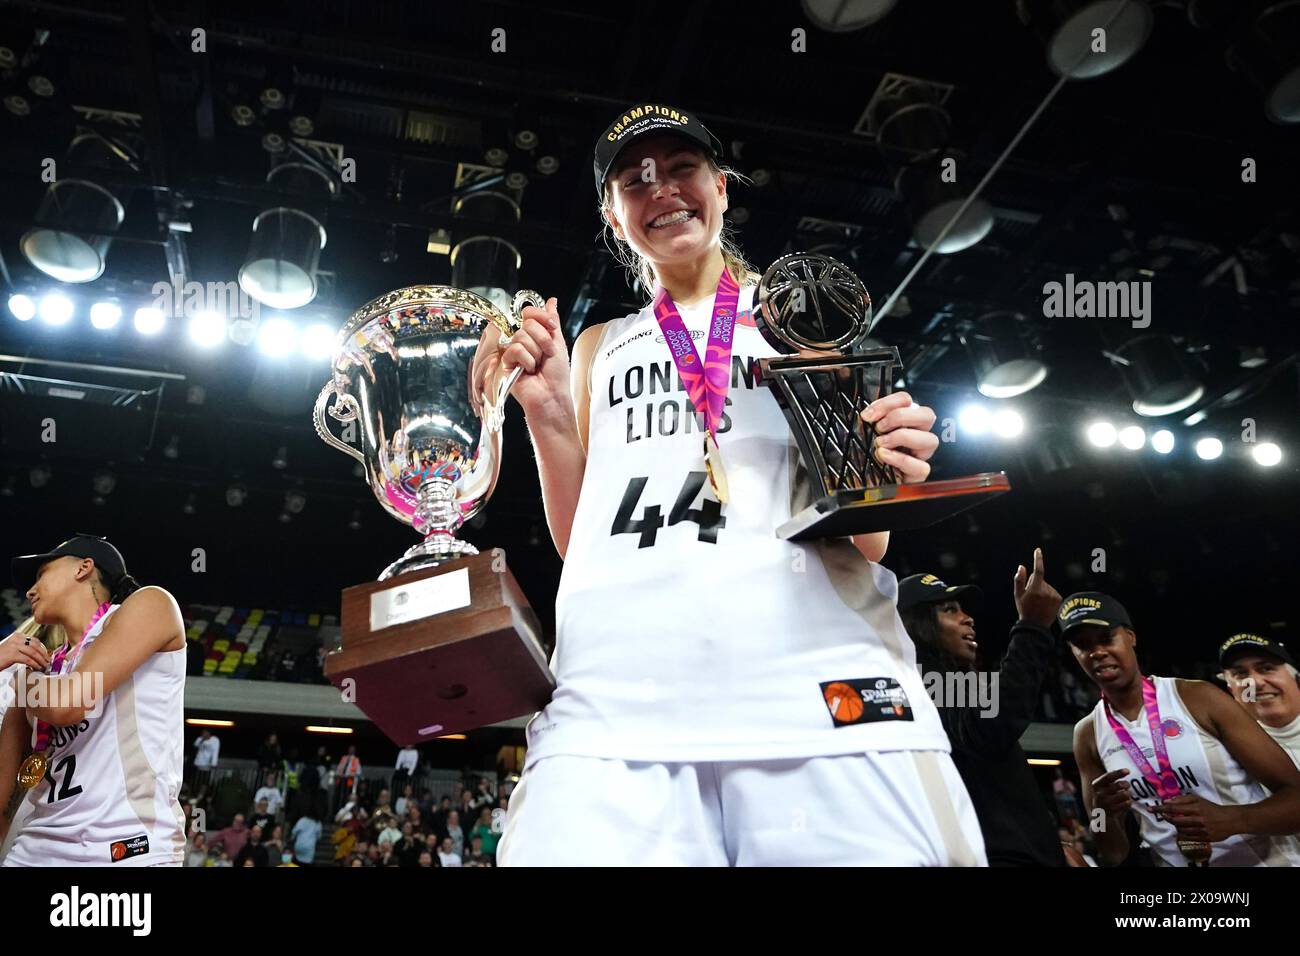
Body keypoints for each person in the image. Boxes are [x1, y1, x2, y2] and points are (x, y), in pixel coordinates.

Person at [481, 102, 979, 867]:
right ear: (614, 219)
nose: (663, 191)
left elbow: (869, 539)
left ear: (722, 187)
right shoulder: (596, 346)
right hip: (617, 704)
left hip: (814, 687)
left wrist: (886, 459)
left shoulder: (800, 315)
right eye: (634, 181)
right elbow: (586, 542)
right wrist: (548, 418)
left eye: (683, 169)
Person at [1066, 592, 1300, 866]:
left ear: (1131, 637)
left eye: (1106, 638)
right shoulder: (1087, 734)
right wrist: (1104, 813)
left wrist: (1233, 819)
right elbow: (1114, 853)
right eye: (1082, 645)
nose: (1096, 652)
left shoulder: (1198, 697)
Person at [0, 534, 187, 866]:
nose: (30, 590)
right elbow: (4, 795)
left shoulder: (151, 605)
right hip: (34, 848)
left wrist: (20, 677)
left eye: (41, 573)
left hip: (124, 848)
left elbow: (67, 703)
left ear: (83, 568)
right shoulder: (38, 669)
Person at [896, 550, 1065, 866]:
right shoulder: (927, 681)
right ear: (916, 626)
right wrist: (1031, 628)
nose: (967, 618)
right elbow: (994, 726)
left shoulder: (945, 683)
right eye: (949, 610)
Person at [1218, 633, 1300, 770]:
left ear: (1296, 680)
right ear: (1232, 691)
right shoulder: (1226, 755)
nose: (1255, 682)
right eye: (1241, 673)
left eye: (1266, 669)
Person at [291, 801, 322, 866]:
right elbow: (319, 837)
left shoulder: (303, 820)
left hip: (299, 845)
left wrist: (292, 839)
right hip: (309, 847)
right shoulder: (318, 823)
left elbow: (294, 831)